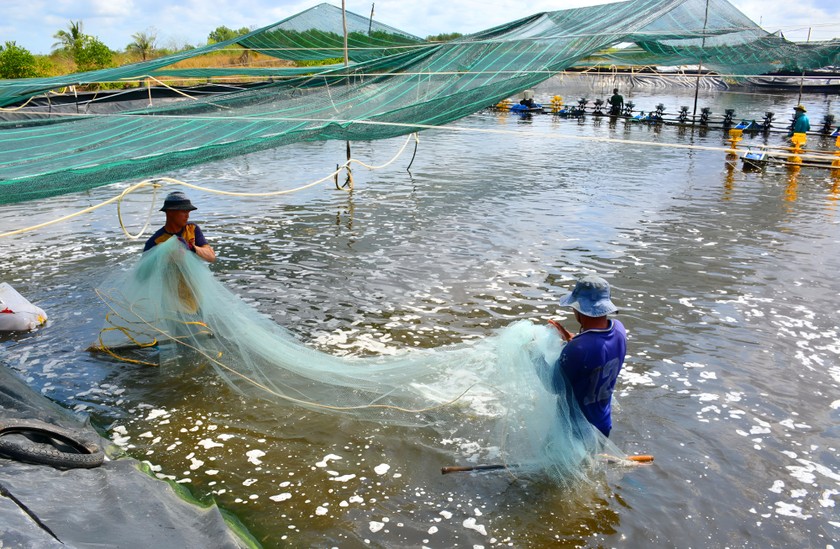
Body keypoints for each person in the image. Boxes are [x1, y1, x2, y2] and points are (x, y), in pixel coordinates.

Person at [547, 275, 626, 437]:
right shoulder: (619, 330)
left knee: (554, 461)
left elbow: (554, 386)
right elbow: (596, 350)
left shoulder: (578, 348)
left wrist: (533, 355)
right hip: (603, 425)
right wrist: (573, 339)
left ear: (579, 308)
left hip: (572, 431)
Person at [144, 191, 216, 263]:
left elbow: (211, 257)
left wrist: (191, 247)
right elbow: (146, 270)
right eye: (184, 211)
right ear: (170, 212)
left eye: (188, 212)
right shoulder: (154, 242)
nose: (187, 216)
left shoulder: (192, 229)